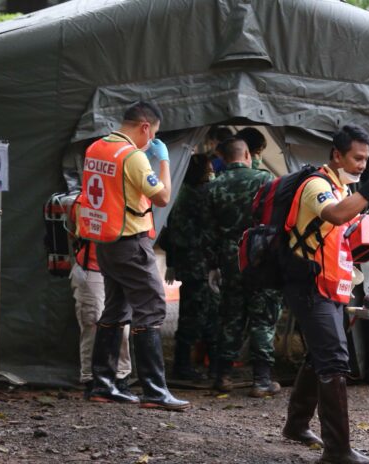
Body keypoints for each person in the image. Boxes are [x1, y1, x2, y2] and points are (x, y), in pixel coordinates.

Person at [280, 125, 369, 464]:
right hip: (308, 285)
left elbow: (338, 236)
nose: (362, 164)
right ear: (337, 154)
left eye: (366, 159)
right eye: (356, 157)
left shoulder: (342, 187)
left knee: (320, 355)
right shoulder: (317, 185)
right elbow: (335, 215)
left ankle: (296, 425)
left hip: (332, 284)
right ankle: (338, 451)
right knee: (333, 360)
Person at [77, 100, 189, 410]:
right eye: (153, 134)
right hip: (129, 241)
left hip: (105, 241)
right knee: (152, 306)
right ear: (144, 127)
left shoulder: (96, 148)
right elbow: (163, 196)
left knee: (115, 309)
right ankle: (155, 390)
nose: (152, 140)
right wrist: (163, 162)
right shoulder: (134, 157)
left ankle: (103, 384)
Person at [203, 137, 283, 398]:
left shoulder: (213, 187)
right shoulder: (265, 180)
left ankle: (223, 376)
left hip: (230, 258)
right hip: (260, 256)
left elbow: (209, 232)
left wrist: (213, 265)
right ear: (248, 154)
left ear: (224, 159)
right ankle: (261, 380)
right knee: (263, 316)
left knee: (232, 316)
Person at [160, 154, 219, 381]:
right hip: (203, 266)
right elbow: (211, 233)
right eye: (209, 168)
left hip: (187, 265)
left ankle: (184, 363)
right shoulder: (205, 195)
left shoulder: (178, 194)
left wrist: (172, 263)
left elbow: (169, 233)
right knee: (208, 317)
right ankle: (207, 367)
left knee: (188, 316)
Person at [69, 210, 133, 399]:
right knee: (93, 323)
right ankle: (92, 381)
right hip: (92, 268)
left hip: (120, 268)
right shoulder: (85, 199)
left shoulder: (130, 195)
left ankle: (121, 378)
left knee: (124, 328)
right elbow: (80, 230)